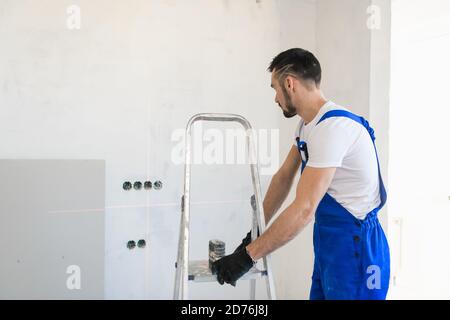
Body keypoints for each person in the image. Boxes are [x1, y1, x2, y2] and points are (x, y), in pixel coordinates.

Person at [211, 48, 390, 300]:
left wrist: (247, 257)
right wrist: (254, 234)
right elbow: (284, 178)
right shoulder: (308, 126)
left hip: (356, 248)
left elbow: (305, 209)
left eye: (274, 88)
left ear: (289, 83)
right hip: (330, 245)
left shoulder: (333, 128)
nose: (275, 98)